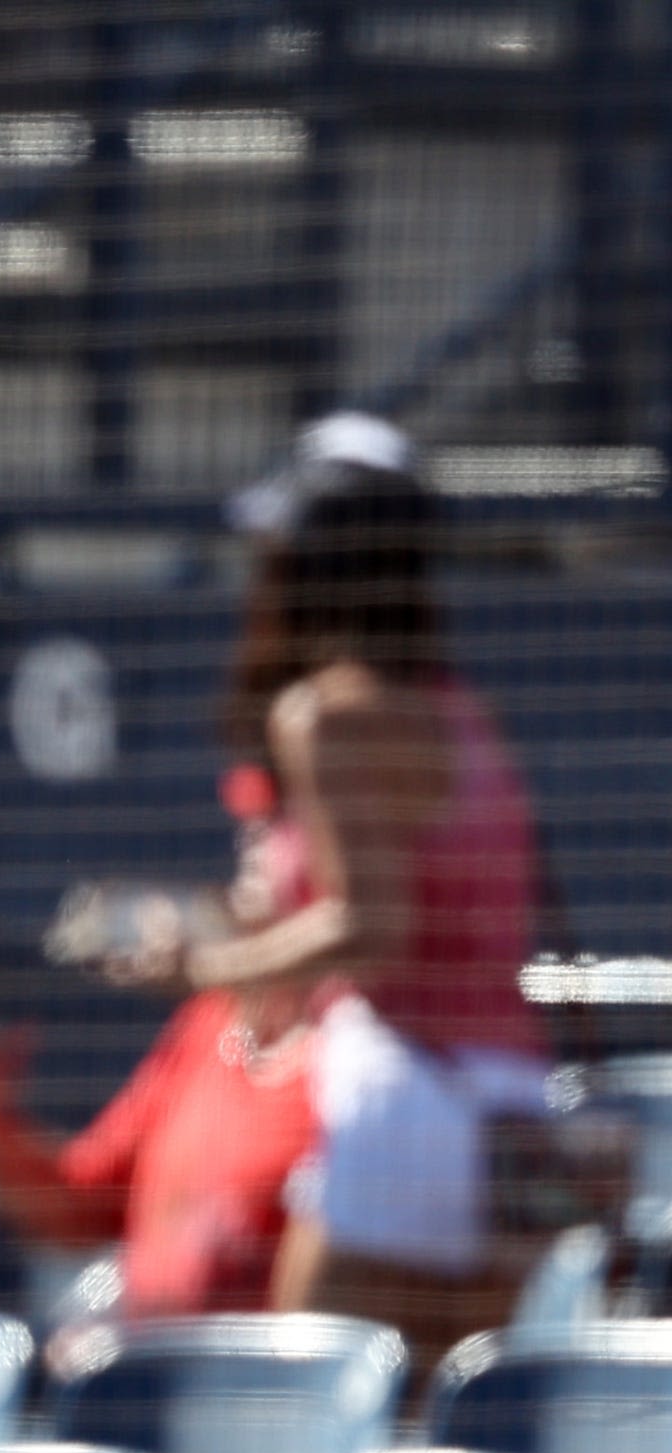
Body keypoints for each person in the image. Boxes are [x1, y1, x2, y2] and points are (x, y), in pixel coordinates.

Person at [136, 419, 548, 1362]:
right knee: (457, 1441)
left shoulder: (323, 712)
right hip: (514, 1109)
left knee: (329, 1422)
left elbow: (370, 925)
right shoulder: (461, 712)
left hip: (408, 1098)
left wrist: (203, 963)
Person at [0, 767, 322, 1318]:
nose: (255, 833)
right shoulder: (208, 1025)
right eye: (256, 822)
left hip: (269, 1393)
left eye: (286, 820)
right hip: (140, 1386)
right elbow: (80, 1213)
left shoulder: (360, 1059)